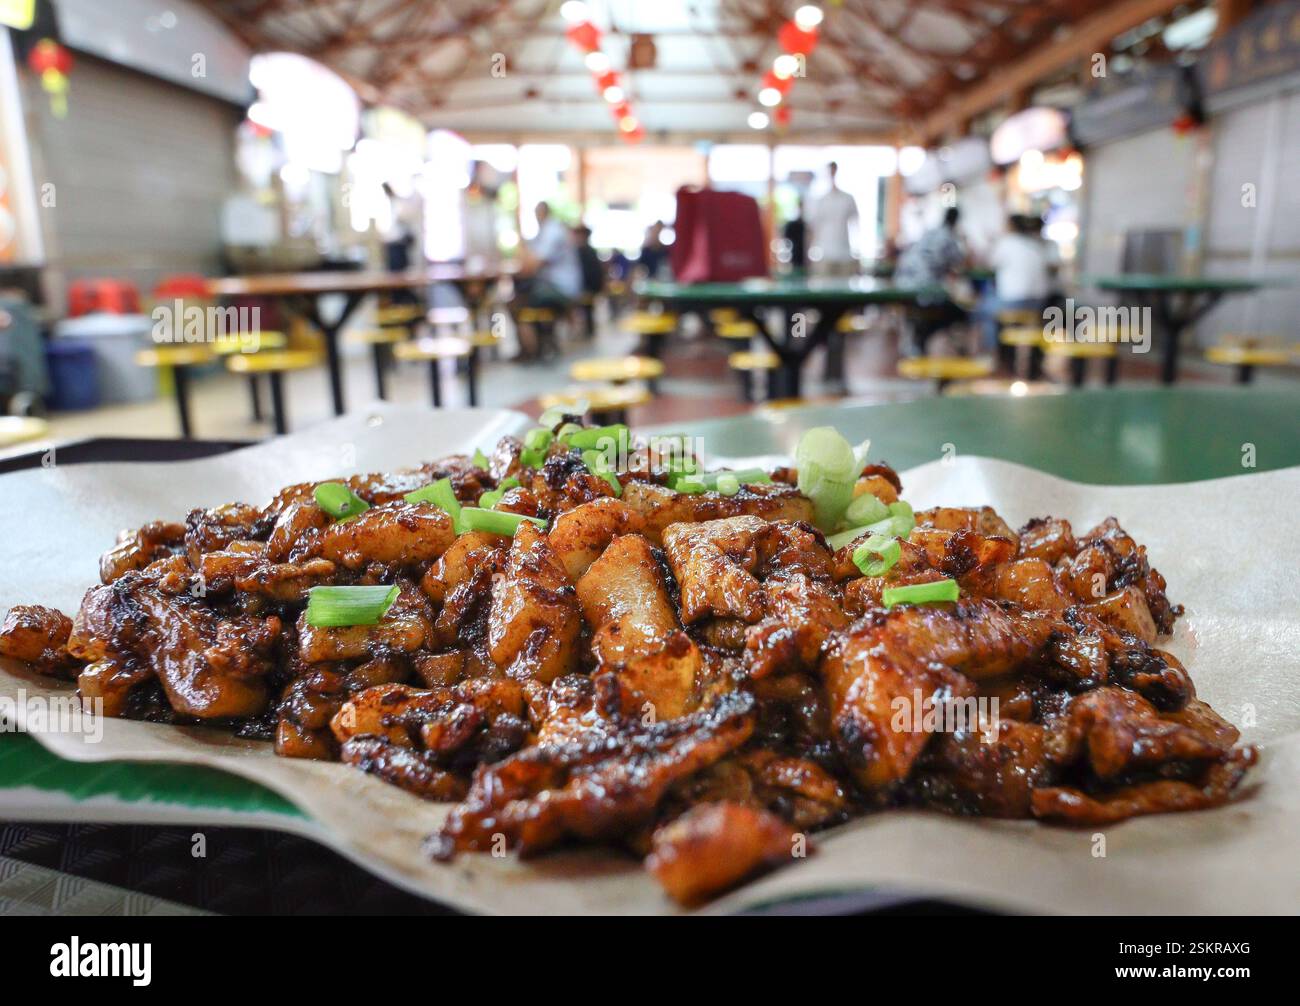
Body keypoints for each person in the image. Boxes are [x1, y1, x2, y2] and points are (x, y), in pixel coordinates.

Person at [894, 206, 969, 353]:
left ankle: (917, 341)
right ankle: (927, 341)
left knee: (926, 311)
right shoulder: (949, 237)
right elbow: (962, 264)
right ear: (957, 221)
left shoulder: (929, 233)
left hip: (902, 286)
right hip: (924, 292)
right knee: (960, 313)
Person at [514, 202, 582, 360]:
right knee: (520, 300)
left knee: (517, 304)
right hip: (555, 286)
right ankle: (538, 345)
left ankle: (530, 349)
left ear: (542, 213)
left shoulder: (553, 231)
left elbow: (532, 265)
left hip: (561, 288)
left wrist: (521, 244)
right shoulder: (546, 231)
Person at [807, 162, 859, 276]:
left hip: (844, 254)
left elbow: (856, 225)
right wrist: (810, 252)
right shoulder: (820, 201)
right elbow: (813, 228)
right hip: (825, 254)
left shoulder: (847, 198)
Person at [574, 224, 605, 339]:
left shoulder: (586, 251)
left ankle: (588, 331)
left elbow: (594, 273)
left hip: (589, 287)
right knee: (586, 310)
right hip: (587, 287)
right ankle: (587, 330)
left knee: (587, 309)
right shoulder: (584, 251)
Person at [782, 198, 808, 273]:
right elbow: (786, 242)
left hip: (805, 261)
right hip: (793, 259)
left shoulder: (806, 224)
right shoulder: (791, 225)